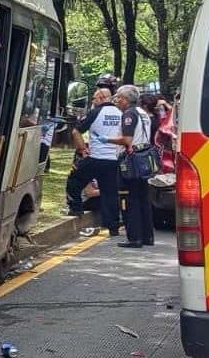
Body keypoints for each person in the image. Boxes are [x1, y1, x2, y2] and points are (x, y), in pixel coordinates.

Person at [65, 85, 122, 236]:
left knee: (74, 180)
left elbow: (76, 131)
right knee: (110, 193)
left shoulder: (95, 112)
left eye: (94, 98)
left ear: (102, 98)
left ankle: (76, 208)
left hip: (96, 158)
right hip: (113, 160)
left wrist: (83, 149)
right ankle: (113, 227)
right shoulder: (121, 113)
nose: (93, 101)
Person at [112, 85, 154, 248]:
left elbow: (127, 140)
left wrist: (107, 140)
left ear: (127, 99)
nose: (118, 101)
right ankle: (147, 236)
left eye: (120, 98)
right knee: (143, 198)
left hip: (130, 160)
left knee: (128, 199)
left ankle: (134, 237)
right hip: (143, 158)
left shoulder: (129, 113)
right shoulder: (143, 113)